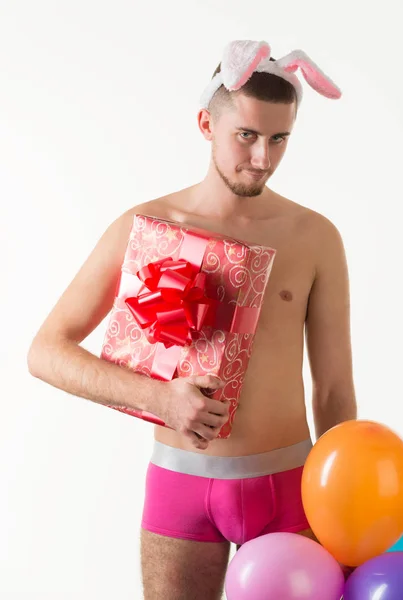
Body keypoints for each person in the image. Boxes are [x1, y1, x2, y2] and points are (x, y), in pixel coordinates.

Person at [27, 40, 357, 599]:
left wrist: (344, 500)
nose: (262, 158)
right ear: (207, 123)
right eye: (246, 135)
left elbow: (332, 389)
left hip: (288, 488)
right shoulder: (144, 224)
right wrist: (159, 400)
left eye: (279, 139)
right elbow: (46, 351)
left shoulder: (314, 237)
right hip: (179, 485)